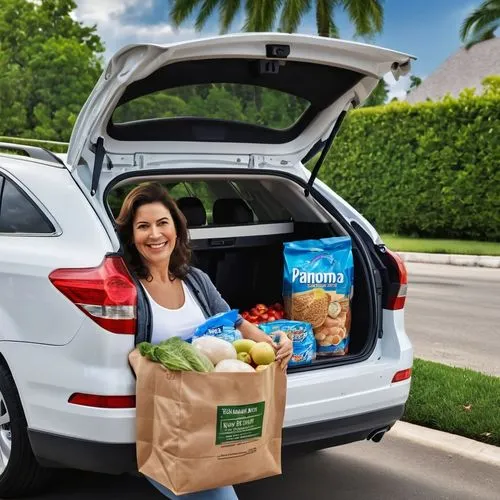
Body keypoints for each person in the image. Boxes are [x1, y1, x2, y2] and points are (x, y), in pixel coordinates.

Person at [116, 182, 293, 500]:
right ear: (131, 236)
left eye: (162, 223)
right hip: (165, 423)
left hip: (209, 419)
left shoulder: (196, 280)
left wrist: (274, 344)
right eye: (143, 226)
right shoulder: (128, 289)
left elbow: (237, 323)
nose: (155, 234)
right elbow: (127, 355)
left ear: (176, 229)